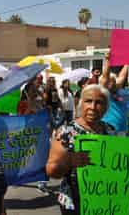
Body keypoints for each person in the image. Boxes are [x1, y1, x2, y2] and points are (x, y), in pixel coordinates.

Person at [46, 84, 115, 214]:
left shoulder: (110, 131)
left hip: (105, 199)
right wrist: (69, 161)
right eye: (88, 101)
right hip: (74, 202)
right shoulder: (65, 132)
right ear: (81, 103)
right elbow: (51, 170)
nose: (93, 107)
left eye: (99, 102)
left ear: (106, 107)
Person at [99, 53, 129, 132]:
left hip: (121, 128)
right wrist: (108, 61)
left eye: (114, 81)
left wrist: (127, 62)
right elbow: (105, 76)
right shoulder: (105, 93)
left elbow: (122, 76)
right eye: (110, 81)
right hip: (109, 127)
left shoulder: (116, 90)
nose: (113, 83)